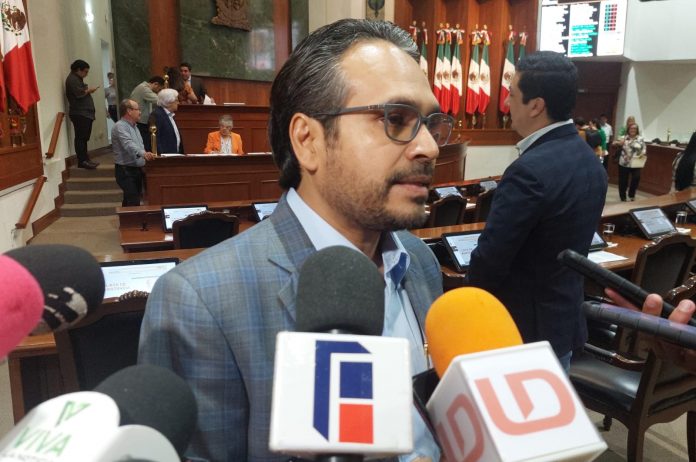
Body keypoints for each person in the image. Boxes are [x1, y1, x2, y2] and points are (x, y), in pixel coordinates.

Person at [139, 18, 453, 461]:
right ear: (307, 140)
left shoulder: (419, 259)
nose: (430, 147)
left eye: (431, 122)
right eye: (395, 119)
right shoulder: (200, 302)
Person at [465, 51, 608, 371]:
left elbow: (491, 260)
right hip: (562, 322)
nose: (506, 104)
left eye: (512, 95)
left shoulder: (528, 171)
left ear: (536, 105)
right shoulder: (589, 160)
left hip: (521, 332)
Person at [111, 99, 156, 206]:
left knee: (129, 200)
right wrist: (144, 154)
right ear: (129, 111)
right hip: (125, 170)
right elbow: (128, 144)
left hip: (136, 169)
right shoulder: (120, 126)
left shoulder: (135, 127)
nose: (140, 112)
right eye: (138, 109)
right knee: (133, 200)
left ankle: (126, 217)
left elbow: (139, 146)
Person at [65, 59, 100, 169]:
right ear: (78, 70)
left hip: (84, 113)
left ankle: (85, 159)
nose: (86, 74)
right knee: (81, 138)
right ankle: (82, 161)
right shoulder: (72, 79)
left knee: (84, 138)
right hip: (80, 113)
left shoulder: (77, 78)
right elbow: (78, 93)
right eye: (85, 71)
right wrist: (89, 90)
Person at [615, 122, 646, 201]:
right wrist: (619, 143)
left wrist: (642, 153)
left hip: (636, 163)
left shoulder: (640, 138)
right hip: (624, 162)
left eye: (635, 128)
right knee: (623, 181)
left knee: (636, 177)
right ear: (628, 129)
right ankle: (623, 196)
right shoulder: (623, 137)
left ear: (637, 130)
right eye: (631, 128)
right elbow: (614, 143)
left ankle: (631, 194)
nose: (633, 130)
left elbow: (644, 148)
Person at [129, 76, 165, 145]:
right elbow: (159, 100)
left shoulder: (143, 88)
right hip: (140, 122)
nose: (158, 91)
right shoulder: (144, 89)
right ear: (156, 84)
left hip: (140, 120)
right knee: (144, 143)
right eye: (159, 89)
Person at [149, 88, 184, 154]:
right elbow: (156, 139)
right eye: (176, 100)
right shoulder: (157, 115)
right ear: (169, 102)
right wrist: (161, 157)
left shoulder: (170, 115)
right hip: (165, 157)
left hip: (174, 155)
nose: (178, 103)